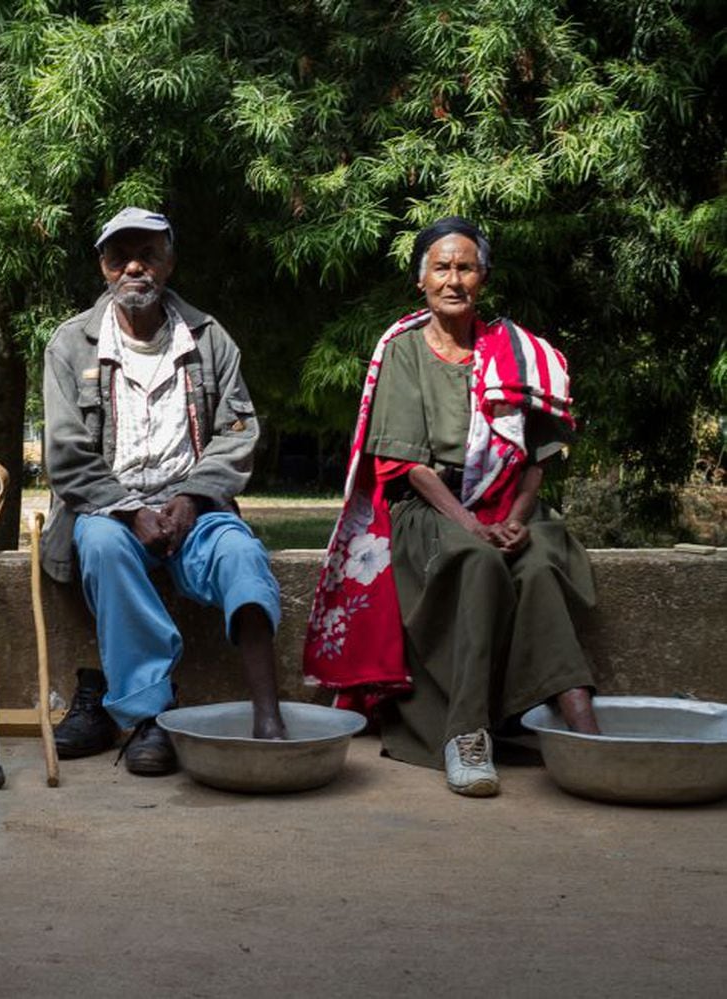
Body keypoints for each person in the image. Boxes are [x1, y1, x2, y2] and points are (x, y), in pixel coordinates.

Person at [304, 216, 601, 797]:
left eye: (466, 267)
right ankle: (465, 734)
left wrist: (514, 521)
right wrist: (472, 526)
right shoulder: (404, 351)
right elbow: (408, 466)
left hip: (506, 507)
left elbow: (536, 458)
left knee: (539, 563)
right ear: (422, 281)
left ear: (483, 277)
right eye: (442, 267)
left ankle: (583, 724)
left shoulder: (517, 354)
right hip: (429, 510)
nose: (454, 279)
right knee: (479, 561)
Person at [40, 207, 287, 776]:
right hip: (108, 508)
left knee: (242, 554)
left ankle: (268, 713)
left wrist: (190, 499)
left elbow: (238, 433)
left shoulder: (208, 338)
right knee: (101, 545)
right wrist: (130, 511)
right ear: (103, 267)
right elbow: (65, 454)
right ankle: (152, 715)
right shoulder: (71, 345)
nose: (134, 267)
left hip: (193, 507)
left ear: (169, 263)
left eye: (148, 254)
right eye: (119, 256)